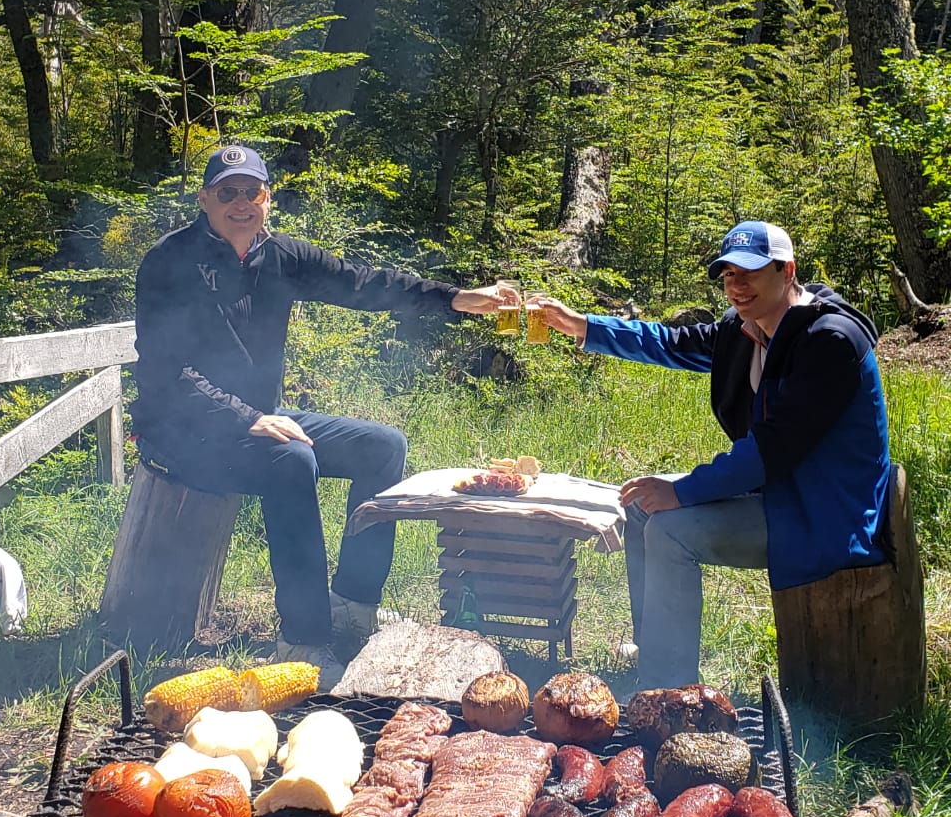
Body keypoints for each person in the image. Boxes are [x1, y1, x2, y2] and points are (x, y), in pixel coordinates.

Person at [130, 145, 516, 686]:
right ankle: (304, 640)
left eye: (251, 191)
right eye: (227, 192)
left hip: (257, 419)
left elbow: (366, 283)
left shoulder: (281, 257)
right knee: (290, 461)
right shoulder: (169, 263)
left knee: (384, 446)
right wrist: (246, 418)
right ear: (205, 199)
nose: (240, 203)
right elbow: (163, 376)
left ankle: (351, 606)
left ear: (269, 198)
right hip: (182, 431)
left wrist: (453, 298)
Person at [532, 220, 890, 689]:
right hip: (779, 492)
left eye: (749, 273)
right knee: (641, 507)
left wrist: (682, 491)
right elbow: (669, 342)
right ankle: (655, 653)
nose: (736, 287)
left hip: (822, 513)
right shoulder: (746, 329)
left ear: (787, 271)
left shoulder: (828, 341)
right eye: (727, 276)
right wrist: (585, 326)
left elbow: (773, 449)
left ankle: (666, 692)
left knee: (671, 532)